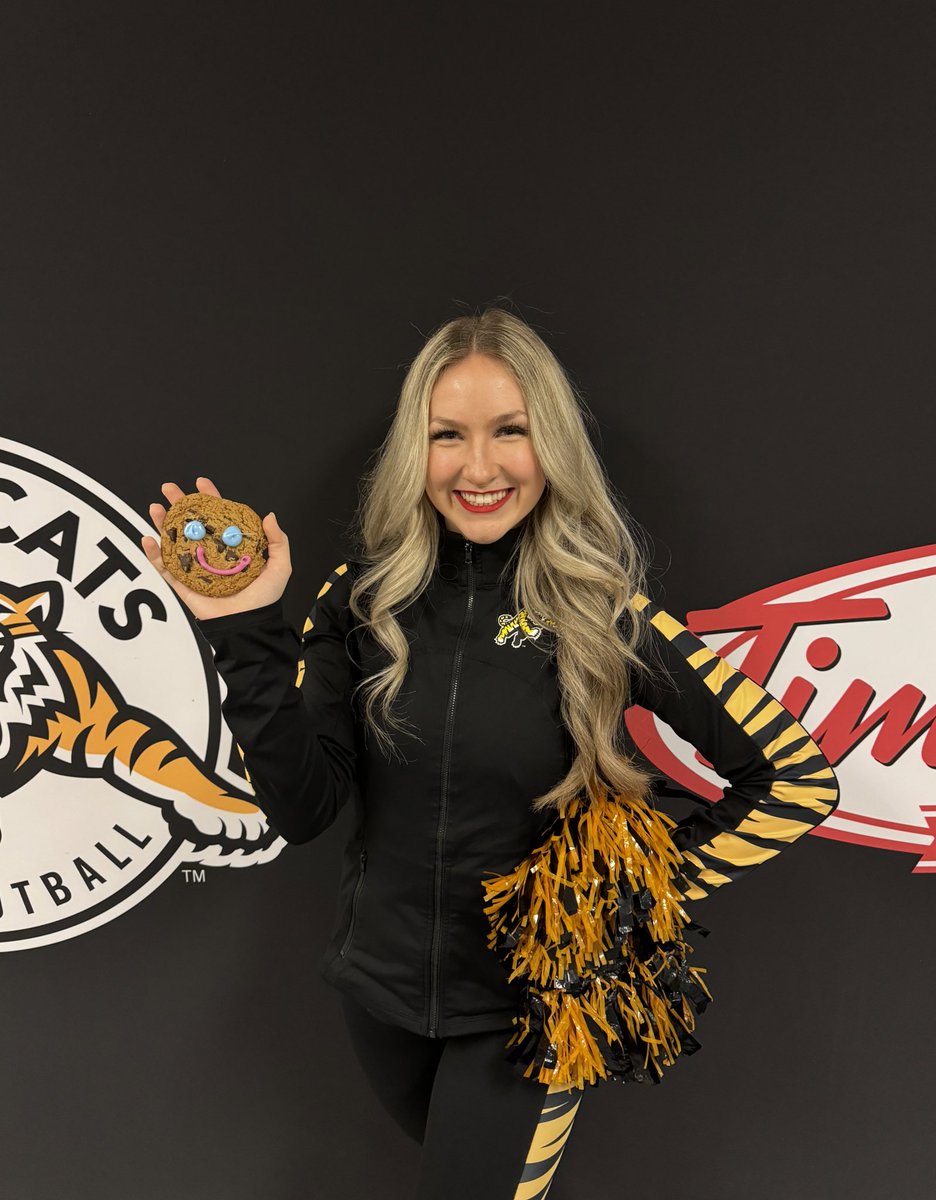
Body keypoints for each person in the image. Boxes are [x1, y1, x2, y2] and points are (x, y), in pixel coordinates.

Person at [141, 307, 840, 1200]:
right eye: (448, 435)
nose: (479, 467)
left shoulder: (606, 614)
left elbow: (793, 779)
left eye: (510, 431)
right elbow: (300, 808)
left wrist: (615, 900)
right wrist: (244, 630)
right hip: (379, 997)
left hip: (529, 1016)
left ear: (550, 444)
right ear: (414, 450)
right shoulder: (358, 602)